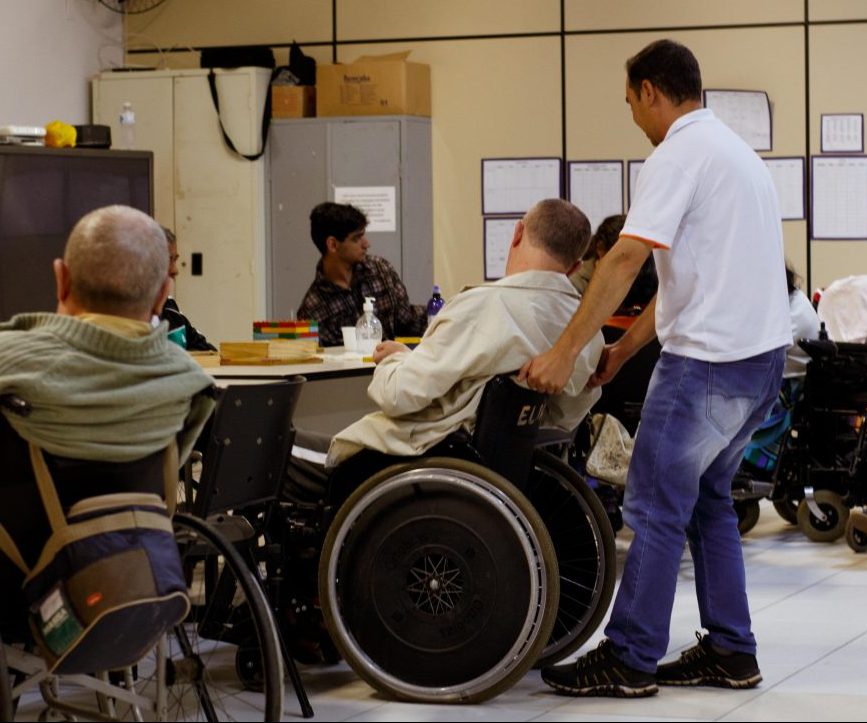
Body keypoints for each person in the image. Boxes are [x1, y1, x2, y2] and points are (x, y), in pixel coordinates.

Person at [523, 40, 792, 698]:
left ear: (650, 91)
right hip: (760, 364)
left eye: (629, 103)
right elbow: (685, 284)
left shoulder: (677, 152)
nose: (632, 119)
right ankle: (731, 649)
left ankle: (628, 654)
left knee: (650, 502)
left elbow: (622, 259)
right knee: (706, 502)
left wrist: (562, 351)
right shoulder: (734, 155)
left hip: (707, 366)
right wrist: (619, 351)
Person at [325, 199, 604, 495]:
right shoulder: (584, 333)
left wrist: (391, 363)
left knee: (295, 454)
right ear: (574, 267)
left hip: (419, 457)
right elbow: (563, 419)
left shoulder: (483, 307)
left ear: (518, 234)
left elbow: (398, 395)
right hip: (514, 476)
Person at [0, 204, 215, 467]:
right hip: (146, 508)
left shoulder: (9, 364)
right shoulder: (191, 387)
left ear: (61, 279)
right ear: (161, 296)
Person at [297, 202, 427, 347]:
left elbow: (407, 319)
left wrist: (442, 315)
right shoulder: (313, 310)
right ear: (333, 244)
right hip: (353, 369)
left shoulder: (380, 270)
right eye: (356, 238)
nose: (366, 244)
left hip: (393, 365)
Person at [159, 226, 217, 352]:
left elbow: (208, 352)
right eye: (169, 260)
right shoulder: (132, 316)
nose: (175, 270)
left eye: (175, 260)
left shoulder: (170, 308)